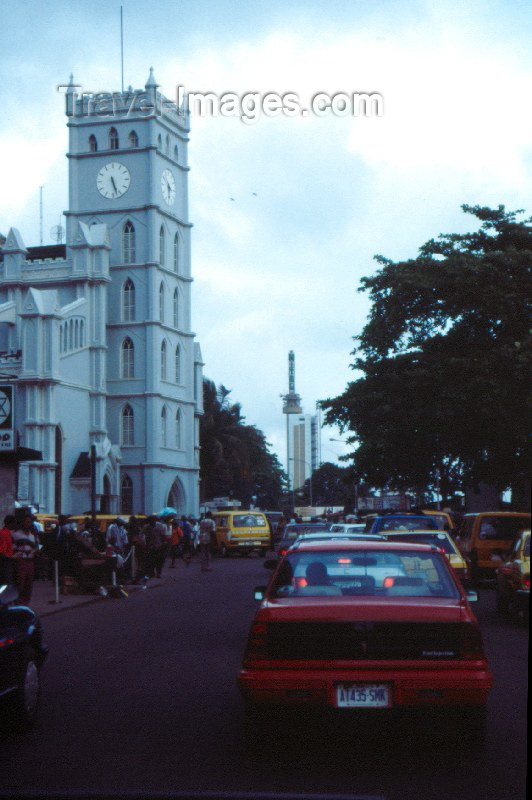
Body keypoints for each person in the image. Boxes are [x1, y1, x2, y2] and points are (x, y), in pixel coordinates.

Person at [11, 513, 39, 604]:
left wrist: (34, 551)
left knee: (29, 584)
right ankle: (18, 602)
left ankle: (26, 603)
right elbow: (12, 548)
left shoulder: (33, 535)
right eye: (26, 522)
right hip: (20, 561)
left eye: (30, 522)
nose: (28, 524)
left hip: (30, 561)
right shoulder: (16, 534)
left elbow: (36, 547)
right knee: (20, 583)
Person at [0, 514, 16, 585]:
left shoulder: (7, 533)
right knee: (6, 583)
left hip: (7, 560)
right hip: (5, 562)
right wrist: (12, 556)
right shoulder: (4, 534)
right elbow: (2, 551)